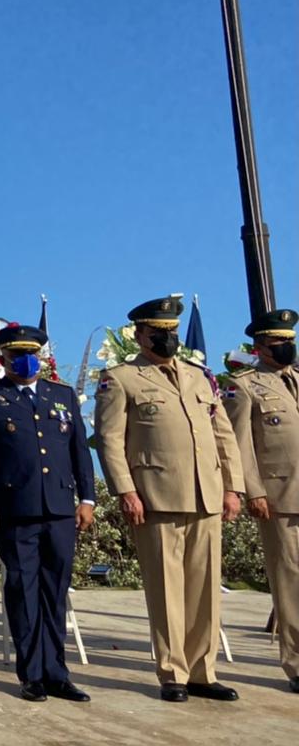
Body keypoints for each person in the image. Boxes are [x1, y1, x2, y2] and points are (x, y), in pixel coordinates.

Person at [95, 297, 245, 702]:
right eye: (159, 332)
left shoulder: (200, 377)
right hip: (156, 496)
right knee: (166, 590)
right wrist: (126, 491)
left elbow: (223, 435)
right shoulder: (121, 379)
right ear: (140, 335)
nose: (168, 338)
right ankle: (173, 673)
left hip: (206, 495)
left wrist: (233, 487)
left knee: (205, 591)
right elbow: (110, 441)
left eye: (172, 332)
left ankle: (202, 672)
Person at [0, 323, 95, 703]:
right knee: (23, 591)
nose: (25, 360)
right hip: (14, 510)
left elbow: (79, 451)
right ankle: (32, 674)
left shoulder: (61, 395)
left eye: (30, 353)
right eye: (16, 354)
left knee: (55, 592)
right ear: (2, 358)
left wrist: (88, 498)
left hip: (60, 509)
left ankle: (57, 674)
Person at [223, 308, 299, 693]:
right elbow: (239, 444)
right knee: (291, 581)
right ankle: (297, 664)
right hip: (280, 495)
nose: (285, 346)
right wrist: (252, 490)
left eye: (289, 340)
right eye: (278, 341)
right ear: (260, 346)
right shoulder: (245, 386)